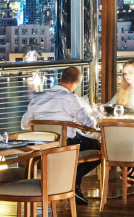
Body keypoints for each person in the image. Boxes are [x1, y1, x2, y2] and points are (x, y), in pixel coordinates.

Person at [21, 66, 97, 205]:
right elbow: (88, 124)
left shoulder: (38, 98)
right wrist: (93, 113)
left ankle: (69, 185)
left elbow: (25, 124)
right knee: (98, 148)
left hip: (41, 147)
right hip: (65, 146)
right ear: (76, 84)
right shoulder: (71, 99)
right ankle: (72, 184)